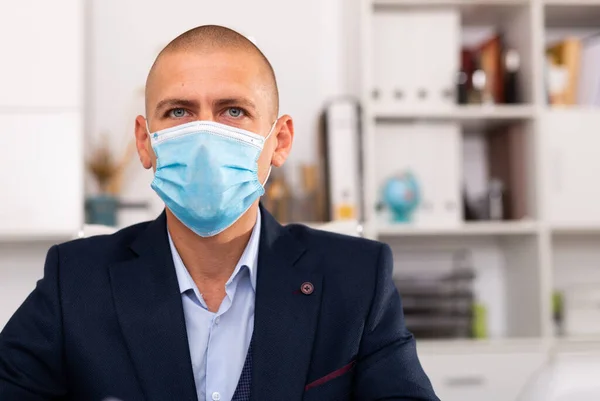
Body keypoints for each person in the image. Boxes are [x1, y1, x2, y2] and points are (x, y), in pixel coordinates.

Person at [0, 25, 439, 401]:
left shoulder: (357, 278)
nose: (205, 137)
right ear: (145, 141)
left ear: (280, 140)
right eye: (178, 112)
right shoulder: (76, 280)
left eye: (234, 111)